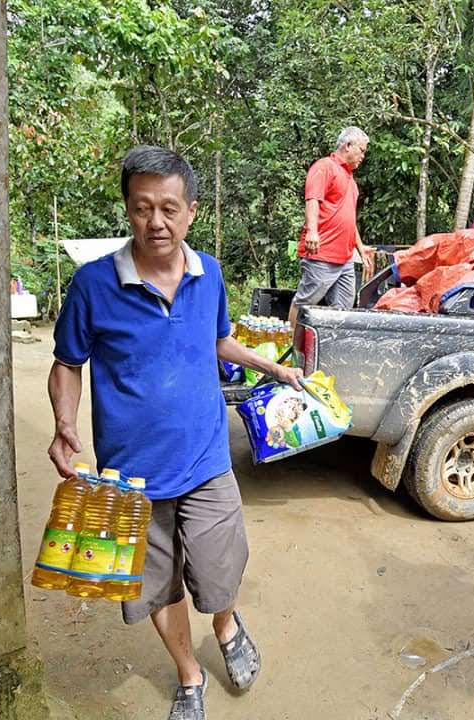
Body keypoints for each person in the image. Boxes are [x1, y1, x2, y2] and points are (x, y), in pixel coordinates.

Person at [48, 145, 303, 720]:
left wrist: (273, 366)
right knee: (154, 586)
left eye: (168, 207)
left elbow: (217, 340)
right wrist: (65, 424)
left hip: (207, 460)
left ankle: (226, 623)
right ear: (128, 210)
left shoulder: (208, 272)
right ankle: (190, 676)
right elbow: (68, 363)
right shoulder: (92, 285)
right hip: (128, 477)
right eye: (142, 208)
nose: (155, 222)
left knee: (218, 571)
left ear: (190, 211)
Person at [288, 126, 375, 329]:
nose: (363, 156)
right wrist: (312, 230)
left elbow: (349, 219)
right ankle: (289, 347)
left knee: (343, 309)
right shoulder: (325, 166)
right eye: (361, 150)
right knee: (305, 302)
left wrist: (360, 248)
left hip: (345, 259)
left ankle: (330, 352)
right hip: (322, 253)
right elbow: (313, 199)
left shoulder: (351, 181)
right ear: (348, 145)